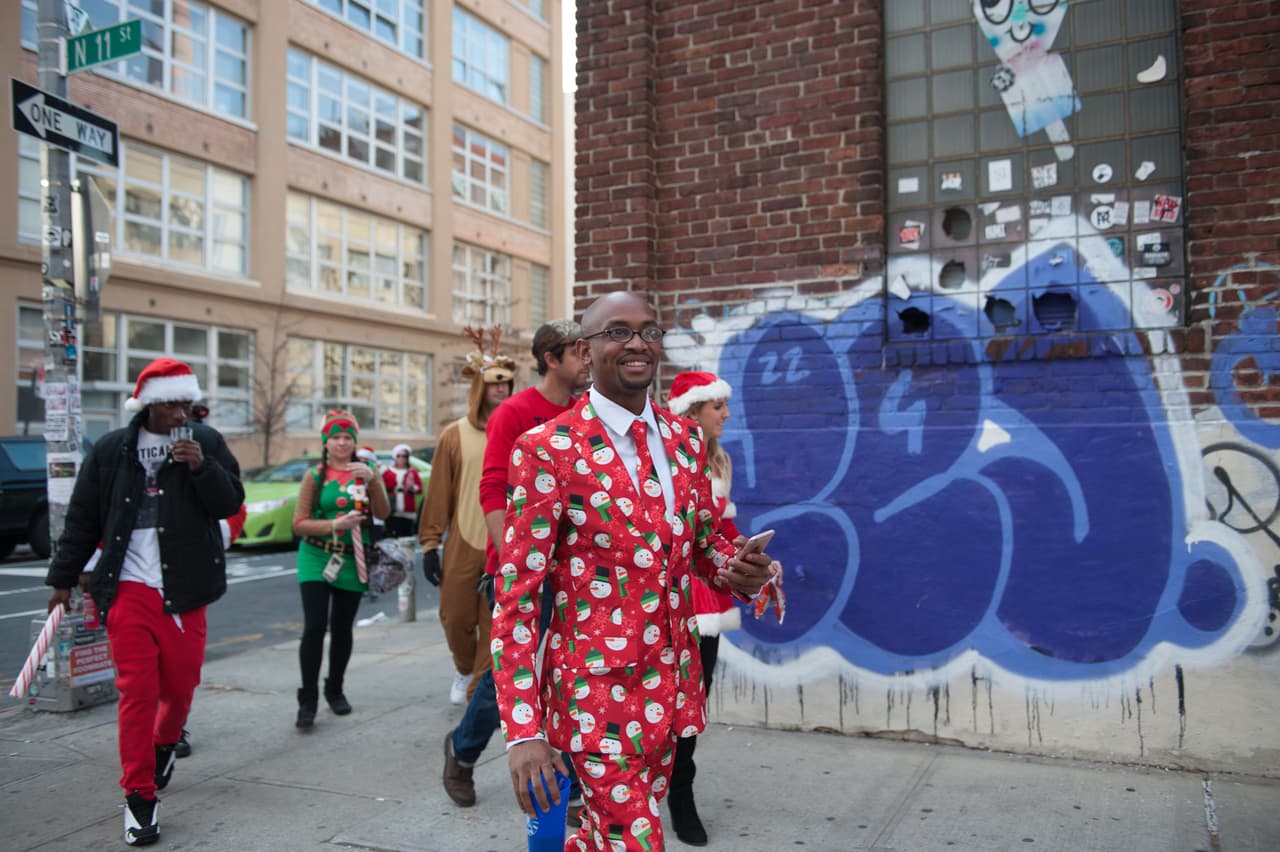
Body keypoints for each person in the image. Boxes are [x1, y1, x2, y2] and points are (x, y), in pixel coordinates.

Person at [491, 292, 777, 851]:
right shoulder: (548, 449)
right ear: (585, 348)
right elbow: (518, 599)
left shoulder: (686, 439)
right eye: (617, 332)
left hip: (670, 687)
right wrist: (524, 731)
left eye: (647, 331)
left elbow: (699, 545)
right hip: (595, 696)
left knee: (607, 835)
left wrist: (736, 567)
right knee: (636, 838)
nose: (637, 343)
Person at [45, 357, 243, 846]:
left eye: (187, 404)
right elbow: (83, 519)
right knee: (136, 692)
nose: (182, 414)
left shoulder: (207, 442)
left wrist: (200, 466)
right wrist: (63, 578)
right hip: (128, 586)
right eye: (172, 405)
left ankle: (164, 743)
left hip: (185, 587)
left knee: (180, 687)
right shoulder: (113, 450)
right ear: (150, 406)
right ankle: (139, 797)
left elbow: (230, 501)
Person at [442, 318, 588, 811]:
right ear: (551, 358)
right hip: (522, 571)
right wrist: (519, 561)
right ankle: (461, 753)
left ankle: (560, 787)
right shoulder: (515, 412)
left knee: (568, 678)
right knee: (510, 677)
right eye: (577, 351)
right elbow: (492, 491)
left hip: (576, 575)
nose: (588, 358)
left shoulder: (586, 413)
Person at [665, 370, 743, 846]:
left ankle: (681, 794)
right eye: (717, 407)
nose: (726, 415)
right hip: (667, 597)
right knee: (647, 697)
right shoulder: (667, 459)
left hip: (708, 595)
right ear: (692, 412)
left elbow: (722, 533)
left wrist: (754, 558)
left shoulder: (721, 461)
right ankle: (608, 790)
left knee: (693, 701)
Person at [418, 326, 515, 705]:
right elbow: (439, 493)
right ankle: (463, 668)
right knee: (455, 618)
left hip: (502, 540)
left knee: (496, 626)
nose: (501, 390)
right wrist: (430, 544)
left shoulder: (517, 429)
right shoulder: (453, 435)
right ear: (479, 386)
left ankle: (477, 690)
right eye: (494, 384)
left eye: (506, 383)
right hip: (462, 541)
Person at [291, 409, 390, 729]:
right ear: (325, 441)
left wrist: (373, 481)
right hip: (316, 556)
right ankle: (307, 700)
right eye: (335, 437)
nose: (342, 443)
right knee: (315, 626)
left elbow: (384, 512)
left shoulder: (367, 470)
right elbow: (299, 523)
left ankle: (335, 688)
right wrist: (336, 524)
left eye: (348, 437)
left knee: (343, 627)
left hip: (352, 558)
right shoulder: (315, 475)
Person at [382, 443, 423, 539]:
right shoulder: (387, 471)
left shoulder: (412, 472)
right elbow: (382, 488)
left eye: (404, 456)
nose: (401, 458)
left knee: (407, 538)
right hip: (392, 510)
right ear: (394, 457)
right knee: (392, 537)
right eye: (398, 455)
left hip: (408, 511)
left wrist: (413, 488)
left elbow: (420, 489)